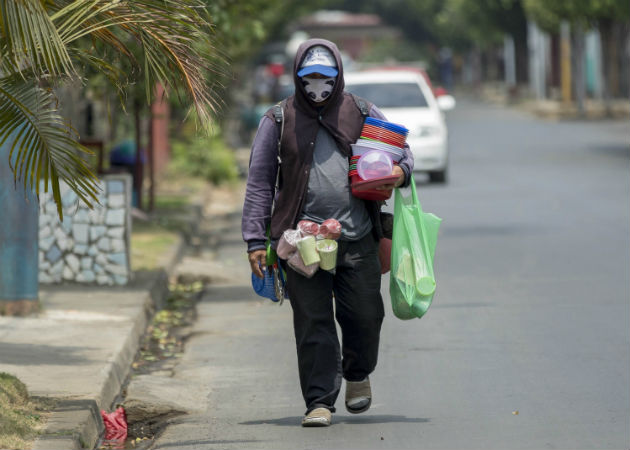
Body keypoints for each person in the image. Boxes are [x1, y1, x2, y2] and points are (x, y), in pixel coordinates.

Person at [241, 39, 414, 427]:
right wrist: (255, 240)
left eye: (325, 77)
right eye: (309, 77)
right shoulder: (278, 120)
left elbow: (402, 153)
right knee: (312, 321)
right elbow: (259, 182)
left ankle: (357, 374)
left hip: (357, 237)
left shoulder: (363, 112)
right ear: (297, 77)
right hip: (301, 245)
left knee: (365, 315)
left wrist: (400, 172)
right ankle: (318, 401)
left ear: (338, 75)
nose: (317, 85)